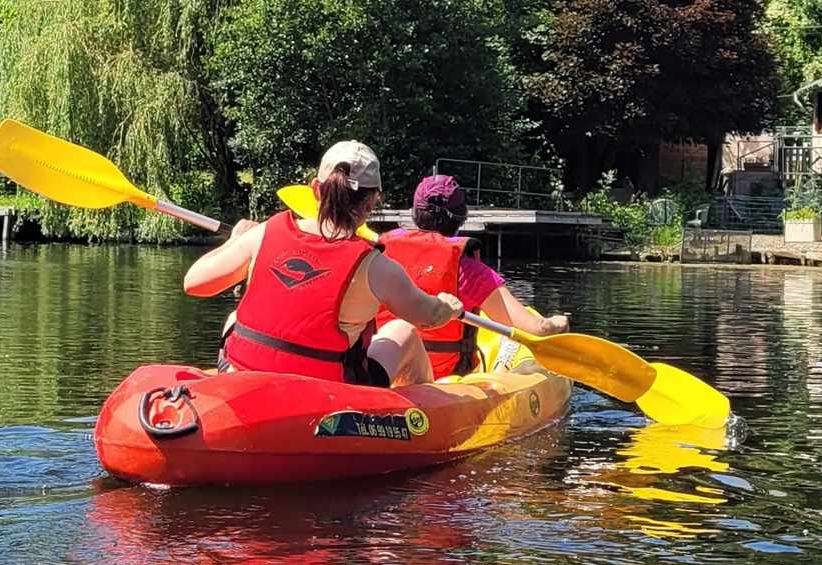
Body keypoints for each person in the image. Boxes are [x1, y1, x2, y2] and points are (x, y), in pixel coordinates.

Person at [183, 141, 462, 387]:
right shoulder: (378, 267)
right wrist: (448, 307)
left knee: (235, 317)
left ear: (316, 189)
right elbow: (428, 316)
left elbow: (194, 283)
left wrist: (235, 240)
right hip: (327, 392)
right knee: (404, 331)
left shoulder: (265, 231)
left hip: (243, 373)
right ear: (372, 200)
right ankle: (424, 415)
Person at [376, 174, 570, 377]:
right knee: (511, 340)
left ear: (415, 213)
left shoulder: (378, 256)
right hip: (445, 379)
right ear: (462, 218)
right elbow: (536, 329)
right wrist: (557, 323)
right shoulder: (468, 270)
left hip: (386, 370)